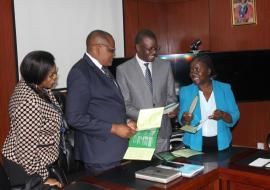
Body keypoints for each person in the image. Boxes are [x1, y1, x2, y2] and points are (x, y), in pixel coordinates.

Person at [65, 30, 136, 175]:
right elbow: (74, 118)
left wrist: (127, 121)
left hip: (115, 151)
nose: (113, 54)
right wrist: (114, 128)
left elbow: (108, 106)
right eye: (111, 50)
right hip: (100, 155)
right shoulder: (80, 72)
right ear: (98, 48)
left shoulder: (103, 69)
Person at [2, 51, 62, 188]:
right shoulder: (30, 103)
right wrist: (43, 178)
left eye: (55, 72)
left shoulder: (35, 85)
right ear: (38, 76)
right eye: (51, 75)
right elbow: (24, 152)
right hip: (25, 168)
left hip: (34, 161)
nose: (55, 77)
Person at [116, 29, 177, 153]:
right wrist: (150, 118)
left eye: (156, 48)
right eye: (150, 49)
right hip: (139, 132)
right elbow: (125, 105)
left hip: (163, 132)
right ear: (138, 48)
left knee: (164, 170)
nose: (154, 52)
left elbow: (171, 96)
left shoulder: (165, 66)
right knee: (141, 171)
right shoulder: (123, 70)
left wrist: (172, 108)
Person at [178, 54, 240, 152]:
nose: (193, 73)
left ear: (208, 71)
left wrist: (223, 115)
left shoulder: (224, 89)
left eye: (197, 69)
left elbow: (235, 115)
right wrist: (185, 119)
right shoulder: (186, 91)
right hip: (193, 145)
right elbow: (182, 120)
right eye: (191, 70)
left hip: (222, 144)